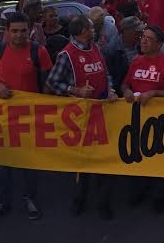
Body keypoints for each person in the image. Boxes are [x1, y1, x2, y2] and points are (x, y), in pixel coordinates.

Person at [0, 12, 53, 222]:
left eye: (23, 31)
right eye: (14, 31)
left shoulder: (39, 51)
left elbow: (48, 83)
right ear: (6, 32)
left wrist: (43, 108)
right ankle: (2, 201)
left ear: (29, 30)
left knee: (28, 163)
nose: (19, 35)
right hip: (4, 117)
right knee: (2, 163)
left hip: (30, 117)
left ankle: (29, 199)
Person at [44, 15, 117, 219]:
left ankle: (103, 202)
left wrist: (110, 89)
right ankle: (80, 200)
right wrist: (75, 90)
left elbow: (106, 73)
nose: (94, 30)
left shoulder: (95, 48)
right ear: (83, 31)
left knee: (105, 160)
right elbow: (53, 83)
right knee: (82, 163)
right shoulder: (66, 55)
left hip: (102, 112)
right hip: (80, 116)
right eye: (91, 28)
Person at [121, 25, 164, 212]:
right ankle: (138, 190)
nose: (144, 41)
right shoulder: (136, 61)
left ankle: (159, 195)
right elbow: (124, 84)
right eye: (143, 37)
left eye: (149, 38)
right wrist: (127, 90)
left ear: (160, 44)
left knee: (158, 157)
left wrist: (154, 93)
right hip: (137, 119)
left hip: (160, 121)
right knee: (137, 155)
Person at [105, 16, 144, 92]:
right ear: (126, 31)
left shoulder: (141, 43)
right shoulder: (113, 50)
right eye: (137, 31)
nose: (140, 33)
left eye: (141, 30)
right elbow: (112, 76)